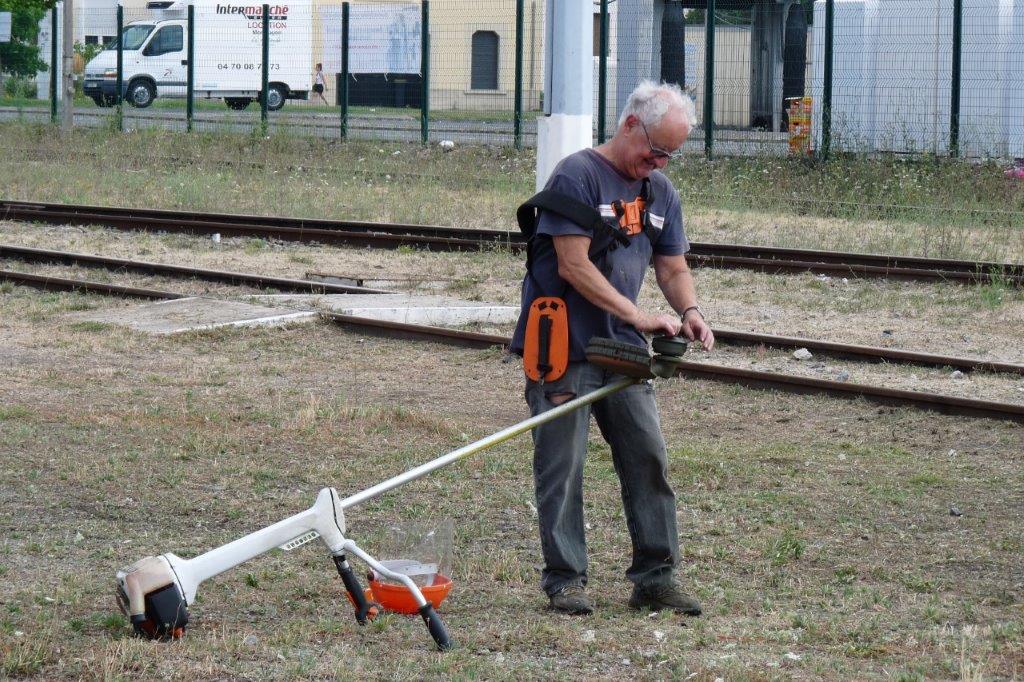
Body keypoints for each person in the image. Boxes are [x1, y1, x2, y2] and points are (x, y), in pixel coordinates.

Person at [510, 80, 715, 616]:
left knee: (647, 458)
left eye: (672, 154)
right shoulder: (577, 175)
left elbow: (671, 265)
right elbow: (573, 264)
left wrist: (689, 311)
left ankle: (655, 579)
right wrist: (640, 315)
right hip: (564, 348)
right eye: (656, 149)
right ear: (629, 124)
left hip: (621, 349)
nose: (662, 162)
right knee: (562, 465)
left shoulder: (659, 192)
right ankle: (565, 580)